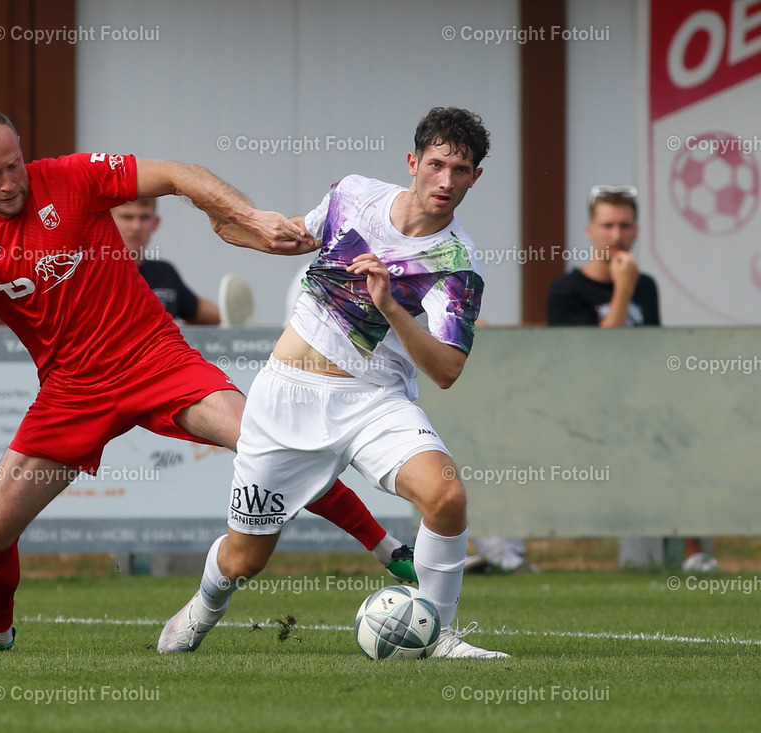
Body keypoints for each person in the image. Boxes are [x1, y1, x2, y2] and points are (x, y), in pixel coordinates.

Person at [0, 109, 414, 653]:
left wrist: (250, 215)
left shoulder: (72, 177)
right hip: (71, 391)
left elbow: (177, 174)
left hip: (155, 359)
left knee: (269, 444)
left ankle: (389, 549)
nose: (9, 183)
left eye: (14, 166)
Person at [159, 107, 509, 659]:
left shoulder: (457, 264)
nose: (446, 180)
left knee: (446, 495)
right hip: (286, 399)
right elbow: (301, 236)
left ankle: (439, 635)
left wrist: (391, 306)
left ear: (475, 177)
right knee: (243, 561)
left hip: (375, 403)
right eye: (437, 164)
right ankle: (205, 605)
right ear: (413, 162)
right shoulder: (355, 195)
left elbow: (446, 369)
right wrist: (245, 230)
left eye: (460, 170)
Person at [547, 185, 716, 573]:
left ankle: (695, 554)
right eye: (608, 225)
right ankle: (644, 560)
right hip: (586, 409)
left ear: (636, 231)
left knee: (689, 430)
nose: (617, 236)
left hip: (643, 407)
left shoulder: (648, 286)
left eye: (625, 226)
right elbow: (598, 363)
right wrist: (622, 290)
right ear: (590, 231)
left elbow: (650, 357)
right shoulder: (567, 290)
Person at [111, 198, 220, 324]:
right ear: (108, 221)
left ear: (156, 223)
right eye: (127, 217)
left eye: (144, 217)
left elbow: (204, 312)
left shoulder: (164, 273)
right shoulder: (94, 275)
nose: (136, 226)